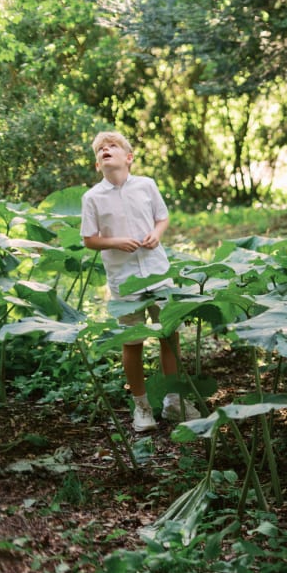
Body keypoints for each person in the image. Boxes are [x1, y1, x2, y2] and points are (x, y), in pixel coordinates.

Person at [81, 131, 199, 432]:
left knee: (168, 338)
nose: (106, 150)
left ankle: (174, 402)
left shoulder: (147, 185)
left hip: (158, 272)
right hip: (124, 281)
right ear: (98, 165)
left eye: (112, 146)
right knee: (132, 344)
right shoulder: (92, 197)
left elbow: (162, 217)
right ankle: (142, 407)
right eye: (100, 149)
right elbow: (89, 239)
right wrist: (117, 241)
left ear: (128, 157)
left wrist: (157, 235)